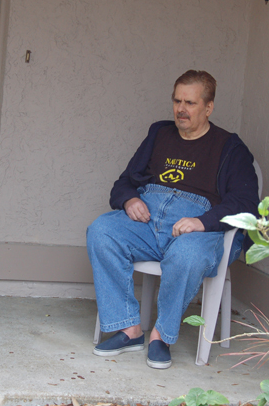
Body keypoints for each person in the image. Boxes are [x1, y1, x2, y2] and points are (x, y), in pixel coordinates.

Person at [86, 70, 259, 369]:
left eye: (190, 103)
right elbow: (124, 181)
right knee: (101, 230)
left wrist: (203, 221)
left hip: (197, 227)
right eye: (177, 101)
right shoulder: (159, 134)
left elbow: (246, 204)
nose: (181, 109)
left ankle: (160, 336)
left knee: (187, 255)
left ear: (208, 107)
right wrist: (130, 199)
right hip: (148, 221)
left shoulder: (230, 147)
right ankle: (129, 328)